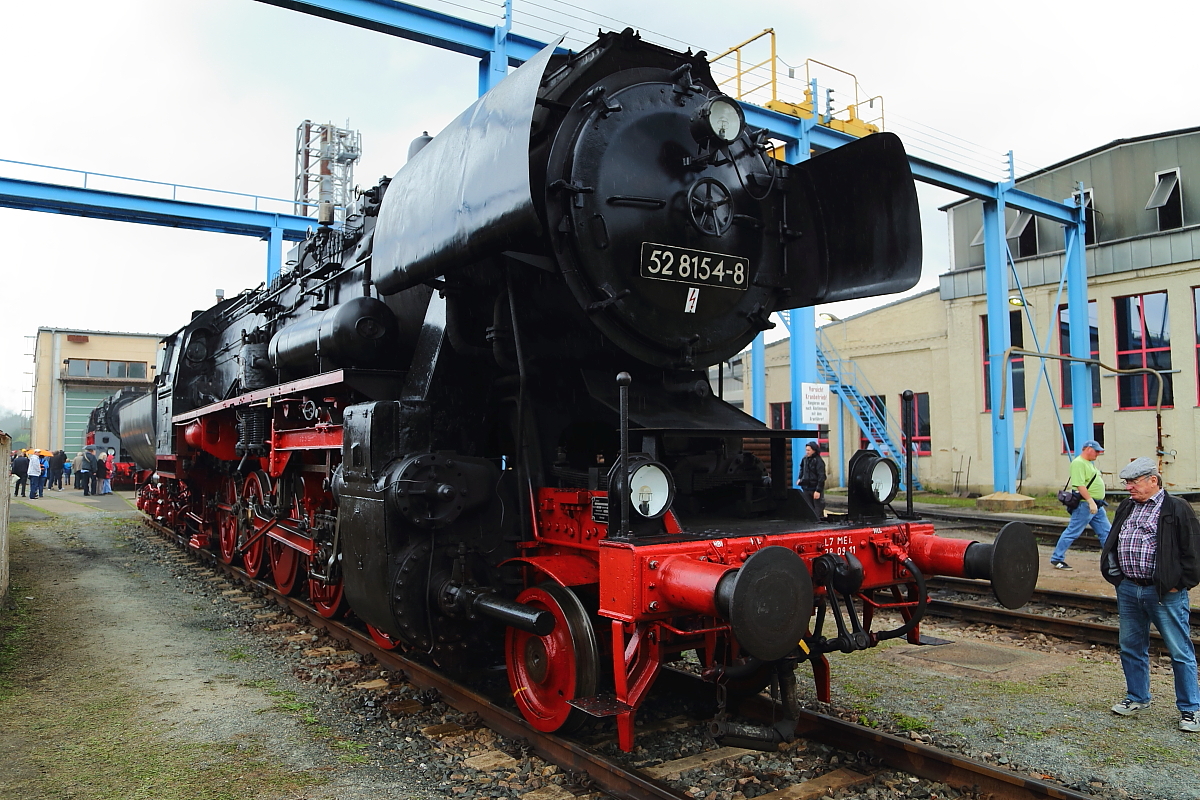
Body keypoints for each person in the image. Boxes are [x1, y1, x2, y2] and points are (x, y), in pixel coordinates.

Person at [1101, 457, 1200, 732]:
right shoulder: (1127, 506)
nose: (1128, 487)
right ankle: (1137, 697)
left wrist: (1178, 585)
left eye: (1133, 482)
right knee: (1131, 646)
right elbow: (1114, 540)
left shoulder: (1176, 508)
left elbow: (1193, 552)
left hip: (1163, 593)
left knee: (1180, 651)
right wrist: (1118, 579)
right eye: (1126, 482)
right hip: (1130, 588)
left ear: (1153, 481)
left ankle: (1190, 710)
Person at [1050, 439, 1111, 570]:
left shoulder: (1089, 463)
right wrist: (1090, 501)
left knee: (1107, 533)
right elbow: (1079, 485)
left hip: (1096, 505)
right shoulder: (1078, 463)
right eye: (1096, 451)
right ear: (1088, 449)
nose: (1098, 454)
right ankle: (1057, 558)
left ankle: (1111, 560)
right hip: (1086, 505)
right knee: (1073, 531)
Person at [796, 440, 827, 518]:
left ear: (814, 450)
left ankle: (820, 523)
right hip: (806, 487)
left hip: (815, 488)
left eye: (809, 450)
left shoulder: (819, 461)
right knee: (809, 509)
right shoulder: (805, 459)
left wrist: (818, 490)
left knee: (818, 510)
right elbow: (802, 469)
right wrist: (800, 478)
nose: (807, 452)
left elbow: (821, 476)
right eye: (806, 450)